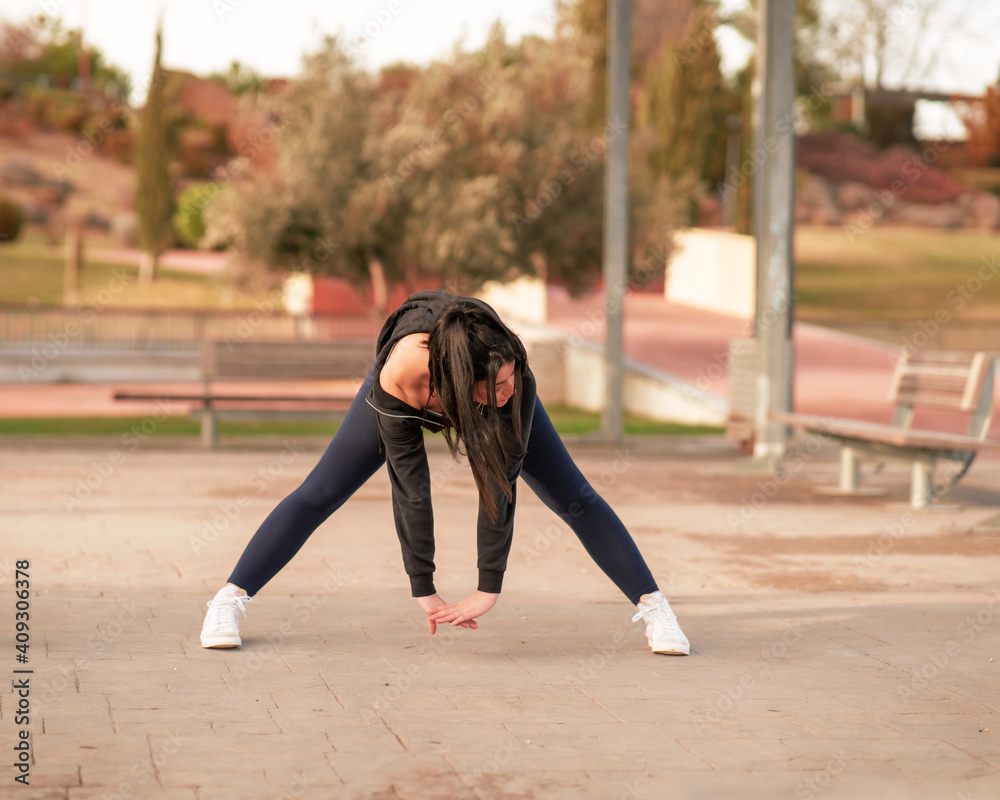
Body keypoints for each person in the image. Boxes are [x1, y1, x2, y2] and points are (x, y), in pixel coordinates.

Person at [200, 289, 689, 655]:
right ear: (459, 383)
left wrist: (487, 586)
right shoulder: (402, 375)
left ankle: (654, 607)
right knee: (321, 492)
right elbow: (412, 489)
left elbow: (500, 481)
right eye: (494, 386)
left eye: (509, 379)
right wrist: (424, 586)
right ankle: (228, 599)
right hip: (412, 389)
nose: (506, 391)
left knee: (573, 496)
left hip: (465, 371)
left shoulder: (509, 375)